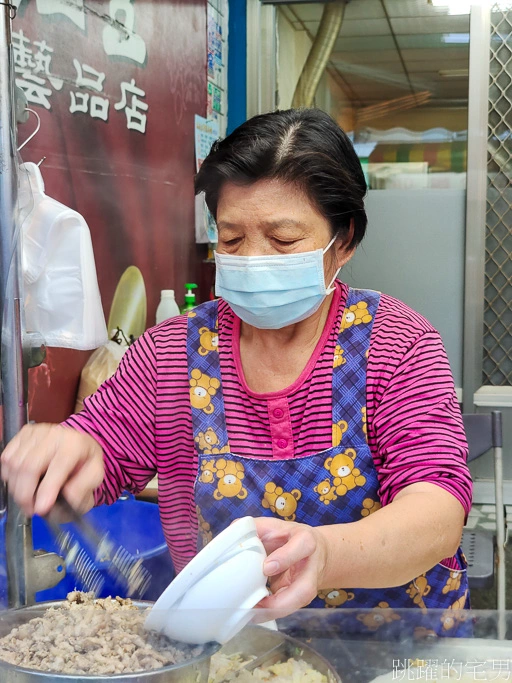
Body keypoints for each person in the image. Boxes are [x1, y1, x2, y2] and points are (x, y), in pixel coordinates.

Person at [1, 109, 471, 629]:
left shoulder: (396, 344)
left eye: (284, 240)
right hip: (232, 652)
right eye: (231, 238)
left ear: (345, 240)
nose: (253, 258)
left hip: (395, 650)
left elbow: (436, 510)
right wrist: (67, 455)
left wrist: (324, 553)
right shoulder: (174, 352)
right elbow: (99, 448)